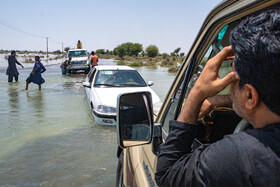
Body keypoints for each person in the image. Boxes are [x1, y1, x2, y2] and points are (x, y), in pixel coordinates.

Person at [155, 10, 280, 186]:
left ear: (250, 95)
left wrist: (197, 93)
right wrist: (218, 100)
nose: (230, 85)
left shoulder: (242, 155)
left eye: (233, 77)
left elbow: (166, 174)